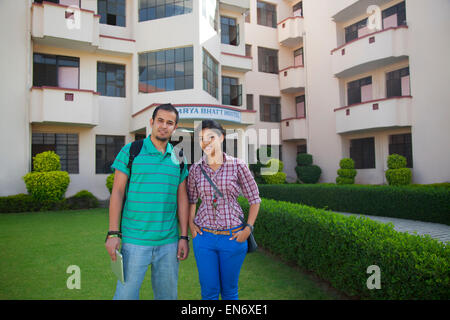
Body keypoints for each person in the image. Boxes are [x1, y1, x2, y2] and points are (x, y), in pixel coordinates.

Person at [105, 103, 190, 300]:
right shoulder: (131, 151)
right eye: (160, 120)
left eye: (170, 123)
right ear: (151, 122)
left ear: (174, 127)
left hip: (168, 243)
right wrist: (112, 233)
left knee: (167, 297)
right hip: (134, 241)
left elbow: (182, 197)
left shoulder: (179, 156)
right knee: (125, 296)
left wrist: (183, 237)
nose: (164, 126)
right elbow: (117, 192)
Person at [187, 120, 261, 300]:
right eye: (201, 138)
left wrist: (248, 229)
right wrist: (191, 224)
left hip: (233, 237)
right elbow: (191, 200)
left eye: (210, 137)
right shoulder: (196, 169)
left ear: (221, 138)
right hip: (204, 238)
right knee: (209, 292)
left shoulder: (238, 165)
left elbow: (255, 199)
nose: (206, 142)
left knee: (229, 292)